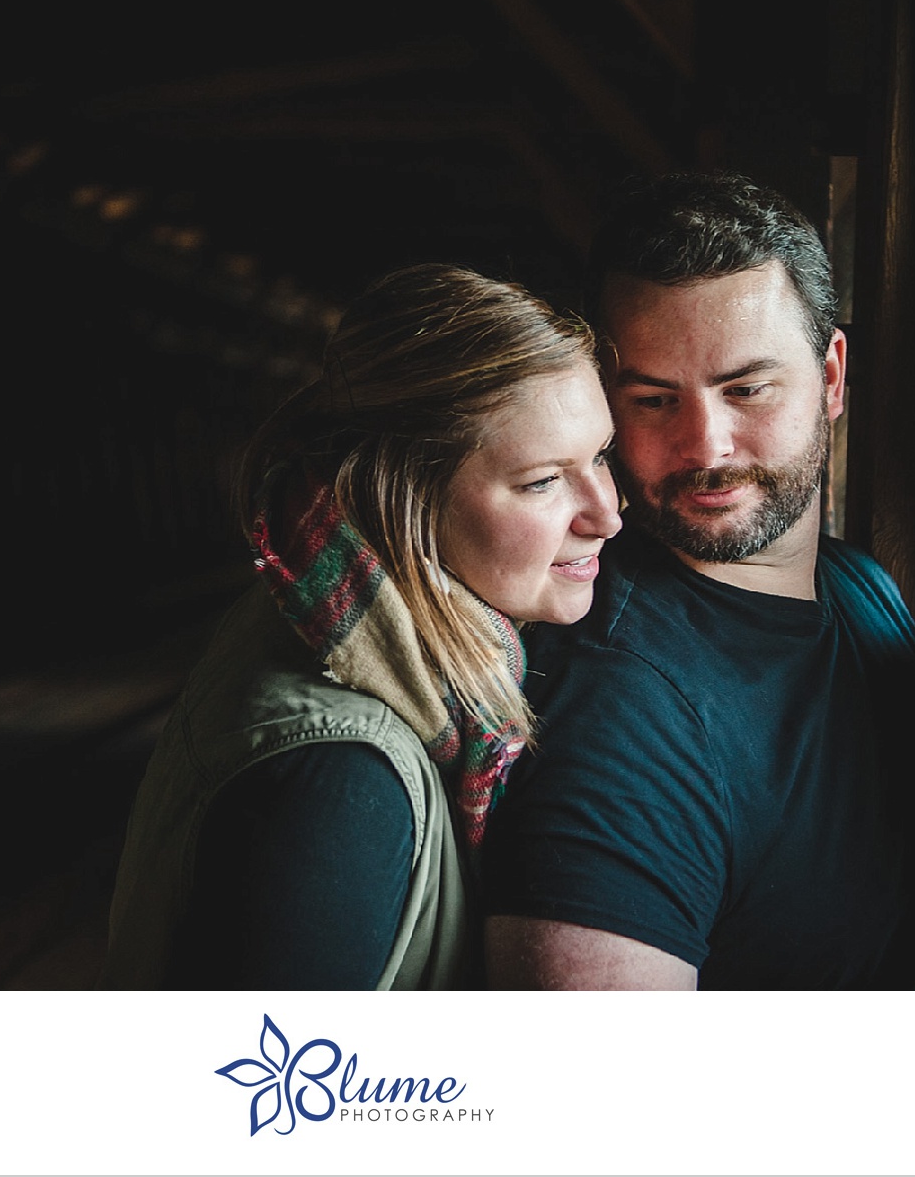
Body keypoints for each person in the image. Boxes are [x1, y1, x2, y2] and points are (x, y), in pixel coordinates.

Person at [98, 262, 623, 989]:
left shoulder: (325, 625)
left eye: (601, 456)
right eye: (542, 481)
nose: (608, 513)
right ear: (403, 494)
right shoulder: (341, 782)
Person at [481, 171, 915, 989]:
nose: (706, 446)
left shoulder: (862, 590)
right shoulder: (625, 711)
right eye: (654, 401)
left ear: (832, 377)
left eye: (747, 389)